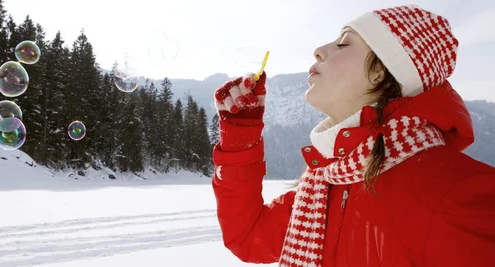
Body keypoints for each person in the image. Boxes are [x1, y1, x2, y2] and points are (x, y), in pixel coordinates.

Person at [212, 4, 495, 267]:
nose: (318, 50)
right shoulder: (326, 185)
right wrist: (240, 134)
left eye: (343, 43)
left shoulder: (452, 191)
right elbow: (249, 237)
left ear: (380, 72)